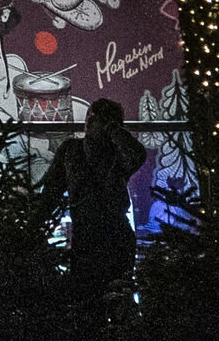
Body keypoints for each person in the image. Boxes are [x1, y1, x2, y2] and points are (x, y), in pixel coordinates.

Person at [40, 99, 145, 306]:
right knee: (88, 303)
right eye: (90, 115)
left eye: (97, 117)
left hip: (113, 239)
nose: (89, 120)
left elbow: (137, 155)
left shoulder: (116, 155)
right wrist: (34, 226)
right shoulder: (72, 151)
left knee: (114, 301)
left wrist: (113, 130)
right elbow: (51, 193)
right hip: (87, 240)